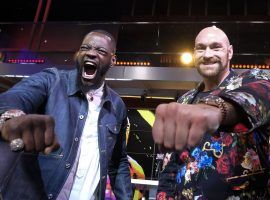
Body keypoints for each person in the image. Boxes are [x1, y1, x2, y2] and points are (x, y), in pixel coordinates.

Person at [0, 30, 133, 200]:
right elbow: (15, 96)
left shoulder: (117, 105)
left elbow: (118, 162)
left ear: (113, 60)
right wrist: (12, 116)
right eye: (85, 48)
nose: (91, 53)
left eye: (101, 51)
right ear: (78, 54)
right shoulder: (52, 81)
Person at [153, 26, 270, 200]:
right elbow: (169, 168)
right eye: (201, 48)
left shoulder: (252, 80)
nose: (207, 54)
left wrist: (219, 110)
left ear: (229, 52)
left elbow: (260, 95)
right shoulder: (185, 101)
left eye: (216, 47)